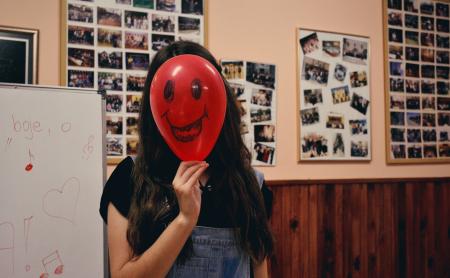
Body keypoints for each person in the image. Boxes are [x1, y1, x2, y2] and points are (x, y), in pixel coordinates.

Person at [99, 40, 274, 278]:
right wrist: (184, 220)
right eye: (170, 95)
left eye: (195, 92)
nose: (183, 110)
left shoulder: (250, 184)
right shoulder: (129, 179)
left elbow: (259, 270)